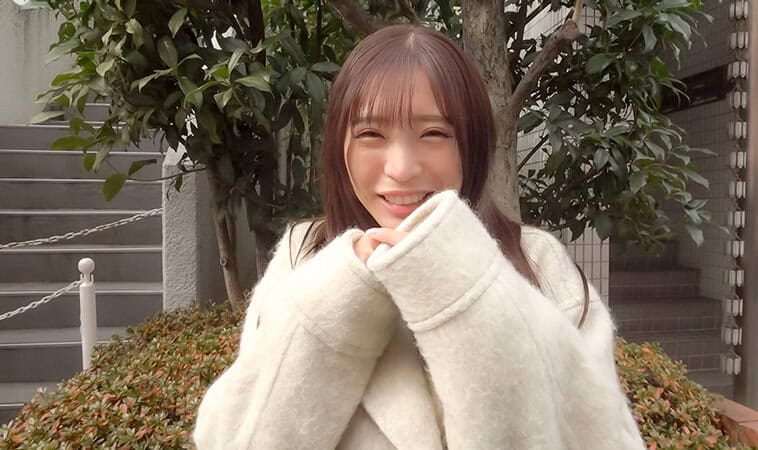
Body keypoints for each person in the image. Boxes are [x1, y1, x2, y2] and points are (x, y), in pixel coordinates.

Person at [193, 24, 645, 450]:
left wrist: (462, 287)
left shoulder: (537, 262)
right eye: (371, 133)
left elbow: (605, 436)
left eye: (433, 133)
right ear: (339, 147)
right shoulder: (305, 255)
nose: (402, 168)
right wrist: (340, 295)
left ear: (471, 145)